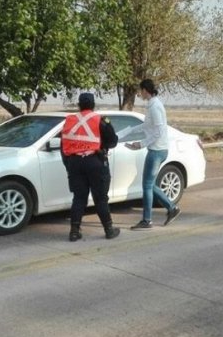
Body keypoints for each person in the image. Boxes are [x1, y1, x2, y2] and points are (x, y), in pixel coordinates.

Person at [61, 93, 120, 241]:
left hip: (75, 163)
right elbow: (113, 141)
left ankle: (74, 232)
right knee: (100, 198)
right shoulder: (100, 120)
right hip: (95, 162)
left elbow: (63, 145)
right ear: (93, 105)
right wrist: (102, 147)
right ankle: (109, 230)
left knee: (79, 198)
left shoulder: (69, 120)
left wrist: (69, 164)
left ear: (78, 105)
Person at [125, 79, 181, 230]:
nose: (139, 93)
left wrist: (141, 144)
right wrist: (131, 130)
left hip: (156, 151)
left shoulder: (155, 106)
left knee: (147, 186)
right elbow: (147, 125)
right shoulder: (152, 105)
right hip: (156, 149)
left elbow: (158, 131)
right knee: (150, 185)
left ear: (145, 90)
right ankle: (171, 208)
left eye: (140, 90)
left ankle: (147, 220)